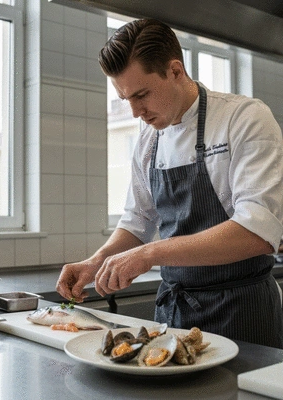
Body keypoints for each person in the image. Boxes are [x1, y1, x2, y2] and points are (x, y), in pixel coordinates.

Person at [56, 19, 283, 348]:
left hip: (242, 311)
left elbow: (257, 233)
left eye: (142, 95)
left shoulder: (244, 118)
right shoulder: (149, 139)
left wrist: (149, 255)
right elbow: (140, 220)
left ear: (175, 70)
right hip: (175, 315)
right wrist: (96, 262)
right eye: (126, 100)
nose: (136, 112)